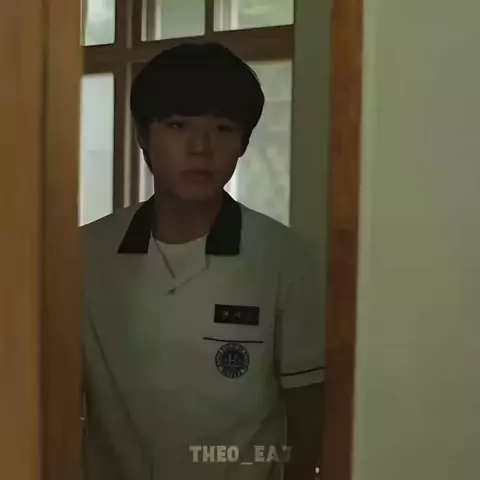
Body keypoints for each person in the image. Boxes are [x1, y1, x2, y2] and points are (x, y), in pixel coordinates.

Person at [82, 42, 325, 480]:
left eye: (222, 129)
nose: (200, 148)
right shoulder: (84, 254)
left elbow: (308, 412)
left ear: (243, 143)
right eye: (178, 126)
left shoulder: (285, 258)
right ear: (142, 136)